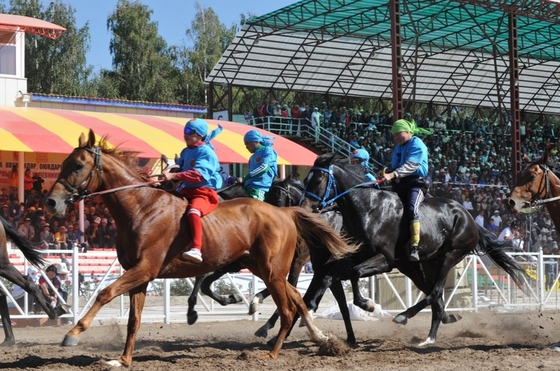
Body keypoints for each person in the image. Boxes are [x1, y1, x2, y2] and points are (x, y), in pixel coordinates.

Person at [162, 118, 223, 263]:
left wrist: (174, 175)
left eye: (189, 131)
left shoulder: (206, 152)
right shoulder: (185, 151)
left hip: (203, 192)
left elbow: (199, 174)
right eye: (185, 131)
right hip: (186, 191)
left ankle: (196, 249)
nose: (185, 134)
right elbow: (179, 168)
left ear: (200, 134)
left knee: (193, 211)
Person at [381, 118, 429, 261]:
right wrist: (385, 172)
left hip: (416, 184)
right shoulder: (398, 147)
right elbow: (394, 165)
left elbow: (411, 165)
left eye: (398, 134)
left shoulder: (417, 144)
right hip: (400, 183)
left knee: (411, 209)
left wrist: (392, 174)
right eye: (394, 135)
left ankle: (415, 246)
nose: (396, 138)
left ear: (408, 132)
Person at [242, 129, 279, 201]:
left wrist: (245, 177)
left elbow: (264, 168)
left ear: (256, 141)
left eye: (247, 144)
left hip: (260, 188)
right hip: (249, 188)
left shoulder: (268, 150)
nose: (246, 147)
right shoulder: (252, 157)